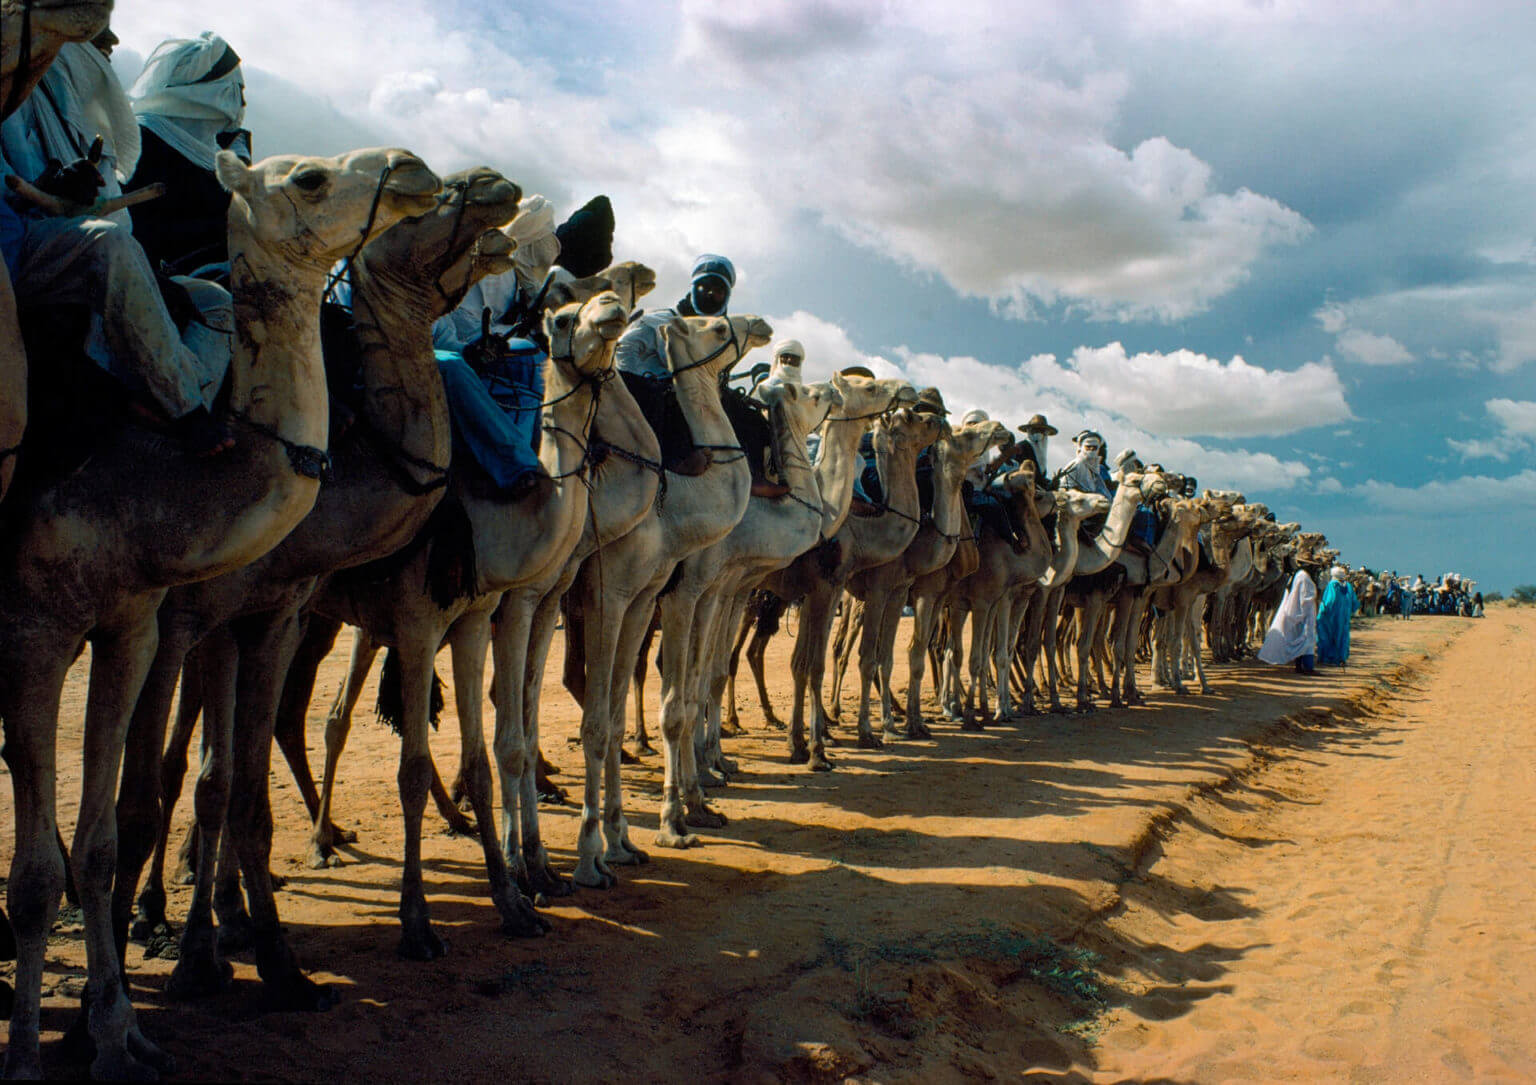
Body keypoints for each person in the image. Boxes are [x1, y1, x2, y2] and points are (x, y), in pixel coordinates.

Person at [0, 35, 233, 455]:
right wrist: (46, 193)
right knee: (108, 245)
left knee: (216, 299)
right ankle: (185, 408)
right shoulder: (10, 100)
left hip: (87, 247)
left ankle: (167, 402)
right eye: (92, 30)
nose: (112, 40)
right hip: (19, 252)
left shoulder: (79, 111)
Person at [428, 194, 564, 500]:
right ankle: (513, 466)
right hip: (439, 348)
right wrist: (472, 348)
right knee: (454, 365)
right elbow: (436, 318)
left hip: (482, 344)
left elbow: (495, 318)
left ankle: (544, 455)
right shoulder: (451, 259)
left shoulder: (515, 276)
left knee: (537, 360)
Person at [124, 32, 250, 276]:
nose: (242, 102)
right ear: (211, 92)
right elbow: (140, 227)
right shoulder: (143, 138)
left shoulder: (214, 151)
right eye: (236, 90)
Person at [614, 252, 736, 473]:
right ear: (693, 288)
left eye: (718, 290)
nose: (710, 293)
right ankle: (672, 461)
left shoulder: (719, 339)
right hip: (644, 392)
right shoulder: (655, 320)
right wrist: (657, 378)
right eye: (704, 286)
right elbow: (623, 354)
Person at [1258, 569, 1318, 673]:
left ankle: (1300, 666)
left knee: (1300, 639)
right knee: (1306, 640)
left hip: (1299, 612)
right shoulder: (1304, 576)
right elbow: (1306, 597)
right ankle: (1308, 667)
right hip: (1304, 613)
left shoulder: (1299, 575)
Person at [1315, 565, 1359, 666]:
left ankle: (1327, 658)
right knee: (1343, 636)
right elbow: (1355, 602)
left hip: (1331, 616)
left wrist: (1322, 610)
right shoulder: (1348, 586)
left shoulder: (1332, 585)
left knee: (1327, 635)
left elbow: (1330, 600)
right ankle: (1341, 658)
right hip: (1344, 617)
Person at [1056, 429, 1111, 496]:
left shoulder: (1094, 467)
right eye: (1088, 447)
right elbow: (1063, 488)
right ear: (1081, 447)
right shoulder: (1076, 464)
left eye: (1094, 447)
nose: (1091, 449)